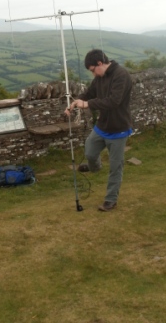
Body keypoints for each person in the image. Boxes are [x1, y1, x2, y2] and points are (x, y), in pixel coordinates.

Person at [64, 49, 133, 212]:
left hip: (119, 128)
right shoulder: (99, 78)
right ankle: (94, 167)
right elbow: (89, 93)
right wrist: (75, 103)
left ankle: (110, 200)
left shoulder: (121, 75)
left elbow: (114, 101)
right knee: (90, 152)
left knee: (115, 166)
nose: (93, 74)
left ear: (100, 64)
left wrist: (88, 105)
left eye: (93, 70)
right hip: (102, 126)